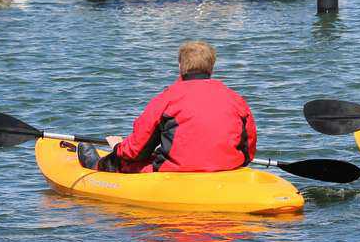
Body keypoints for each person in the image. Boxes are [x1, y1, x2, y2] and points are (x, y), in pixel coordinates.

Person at [77, 40, 257, 173]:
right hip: (227, 167)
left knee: (124, 162)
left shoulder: (167, 98)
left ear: (180, 66)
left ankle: (95, 165)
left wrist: (118, 147)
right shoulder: (235, 99)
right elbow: (248, 149)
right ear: (212, 67)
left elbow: (137, 150)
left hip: (177, 170)